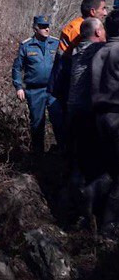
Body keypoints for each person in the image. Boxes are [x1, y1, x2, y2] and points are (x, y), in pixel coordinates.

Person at [65, 18, 107, 224]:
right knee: (90, 164)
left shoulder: (77, 49)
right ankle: (84, 212)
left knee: (79, 160)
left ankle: (75, 207)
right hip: (85, 114)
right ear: (98, 32)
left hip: (74, 111)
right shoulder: (96, 50)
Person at [12, 15, 63, 153]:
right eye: (42, 26)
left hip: (54, 90)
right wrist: (19, 87)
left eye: (47, 26)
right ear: (35, 28)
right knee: (37, 123)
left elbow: (62, 65)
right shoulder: (26, 45)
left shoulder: (55, 43)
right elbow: (17, 68)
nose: (46, 29)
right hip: (35, 91)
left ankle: (63, 153)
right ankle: (38, 156)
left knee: (59, 121)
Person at [48, 0, 108, 107]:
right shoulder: (77, 29)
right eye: (103, 8)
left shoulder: (86, 24)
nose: (105, 13)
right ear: (93, 11)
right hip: (66, 80)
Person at [91, 10, 119, 237]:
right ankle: (108, 225)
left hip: (100, 116)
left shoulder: (99, 52)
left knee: (108, 168)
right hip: (117, 116)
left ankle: (90, 210)